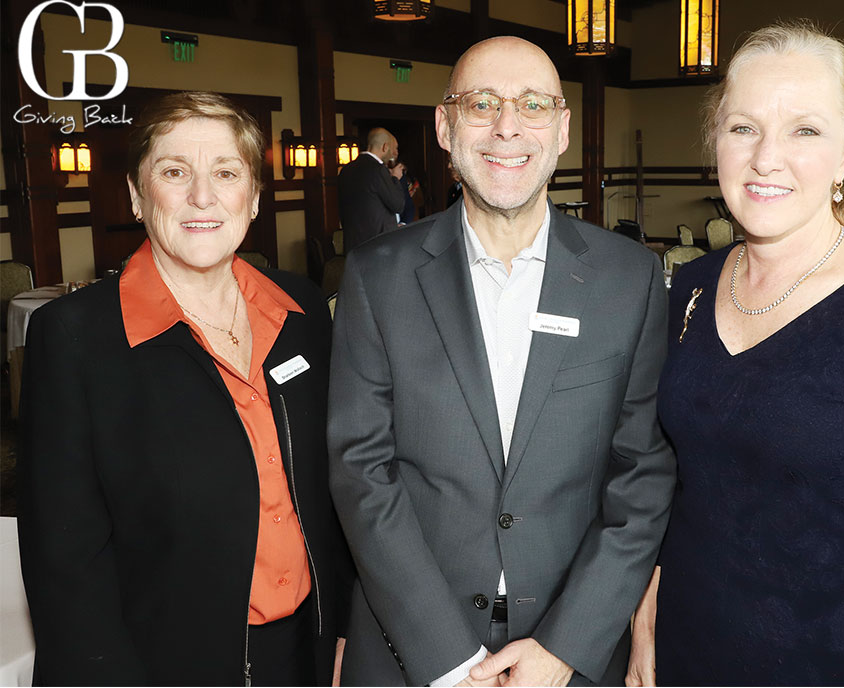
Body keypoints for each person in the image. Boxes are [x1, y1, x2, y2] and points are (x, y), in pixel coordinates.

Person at [627, 23, 844, 687]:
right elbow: (664, 479)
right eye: (743, 128)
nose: (766, 158)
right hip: (683, 649)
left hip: (830, 666)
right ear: (717, 143)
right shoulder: (693, 287)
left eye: (804, 131)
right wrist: (645, 613)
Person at [328, 36, 675, 687]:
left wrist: (563, 648)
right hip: (412, 656)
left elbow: (643, 477)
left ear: (563, 128)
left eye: (533, 105)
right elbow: (360, 473)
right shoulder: (378, 276)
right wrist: (449, 661)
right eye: (482, 103)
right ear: (444, 124)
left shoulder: (629, 279)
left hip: (571, 656)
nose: (507, 126)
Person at [18, 92, 353, 686]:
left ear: (252, 198)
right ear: (136, 196)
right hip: (166, 665)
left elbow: (338, 492)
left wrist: (349, 630)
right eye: (175, 172)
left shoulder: (300, 307)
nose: (203, 196)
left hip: (310, 648)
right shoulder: (74, 337)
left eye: (226, 173)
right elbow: (65, 567)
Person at [337, 127, 407, 254]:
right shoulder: (378, 170)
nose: (394, 154)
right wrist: (395, 179)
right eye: (393, 149)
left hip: (352, 246)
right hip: (377, 248)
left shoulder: (346, 170)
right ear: (385, 147)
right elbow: (398, 205)